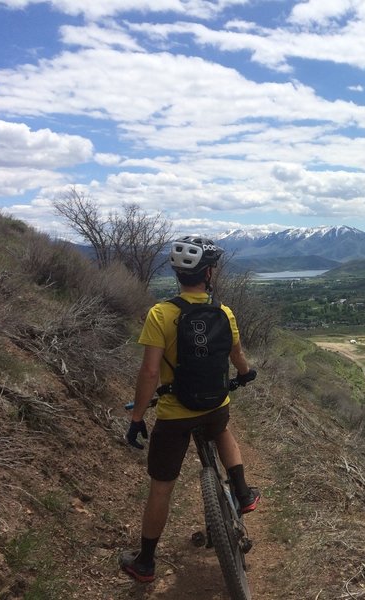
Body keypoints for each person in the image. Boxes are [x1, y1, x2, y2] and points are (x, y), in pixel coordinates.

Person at [120, 236, 259, 583]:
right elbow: (237, 357)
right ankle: (243, 493)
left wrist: (137, 417)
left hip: (175, 414)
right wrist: (245, 375)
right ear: (209, 273)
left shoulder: (161, 314)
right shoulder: (224, 312)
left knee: (162, 487)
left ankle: (146, 562)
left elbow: (150, 372)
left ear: (178, 274)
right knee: (223, 430)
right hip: (215, 406)